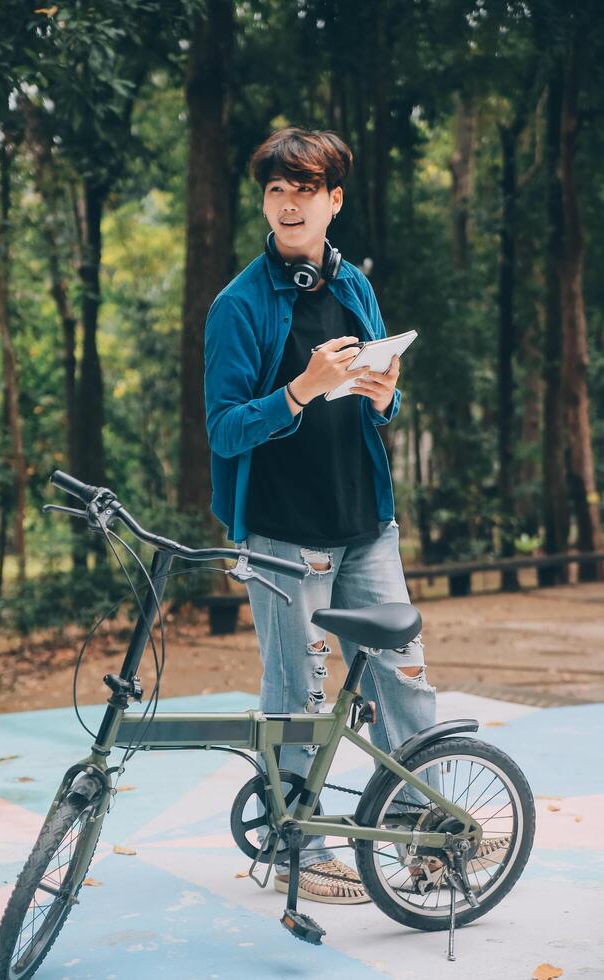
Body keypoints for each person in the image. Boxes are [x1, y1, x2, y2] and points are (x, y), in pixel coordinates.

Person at [204, 127, 436, 904]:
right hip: (281, 530)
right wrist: (298, 390)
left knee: (403, 677)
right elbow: (225, 427)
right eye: (277, 190)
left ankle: (420, 826)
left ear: (333, 200)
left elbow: (380, 396)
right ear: (264, 202)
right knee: (297, 692)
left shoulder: (354, 286)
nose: (290, 202)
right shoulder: (238, 305)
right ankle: (295, 846)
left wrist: (385, 395)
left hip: (365, 520)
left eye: (306, 189)